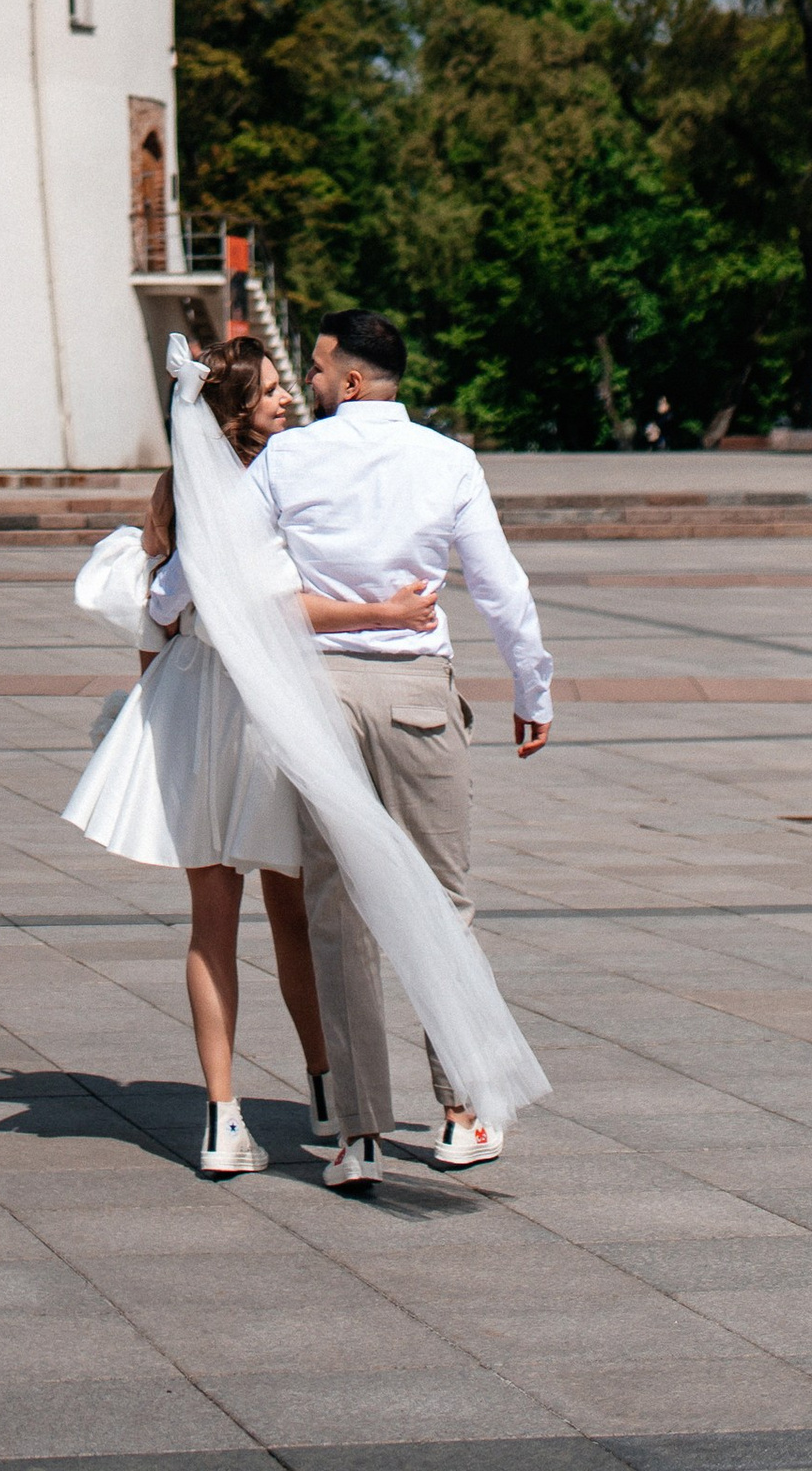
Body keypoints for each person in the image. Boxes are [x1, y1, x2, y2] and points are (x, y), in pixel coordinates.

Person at [65, 333, 441, 1176]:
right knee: (291, 909)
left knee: (227, 917)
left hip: (202, 708)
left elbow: (158, 615)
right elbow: (275, 605)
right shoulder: (255, 490)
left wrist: (150, 703)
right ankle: (313, 1087)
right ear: (234, 411)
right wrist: (383, 612)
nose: (285, 398)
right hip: (264, 706)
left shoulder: (188, 493)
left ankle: (231, 1111)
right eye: (271, 390)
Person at [250, 305, 554, 1191]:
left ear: (349, 379)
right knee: (443, 901)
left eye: (312, 368)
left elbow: (225, 557)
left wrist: (159, 606)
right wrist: (532, 690)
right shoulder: (448, 461)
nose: (304, 382)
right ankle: (463, 1109)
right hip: (416, 690)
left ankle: (359, 1134)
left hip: (318, 697)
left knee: (337, 913)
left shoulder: (289, 457)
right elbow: (501, 587)